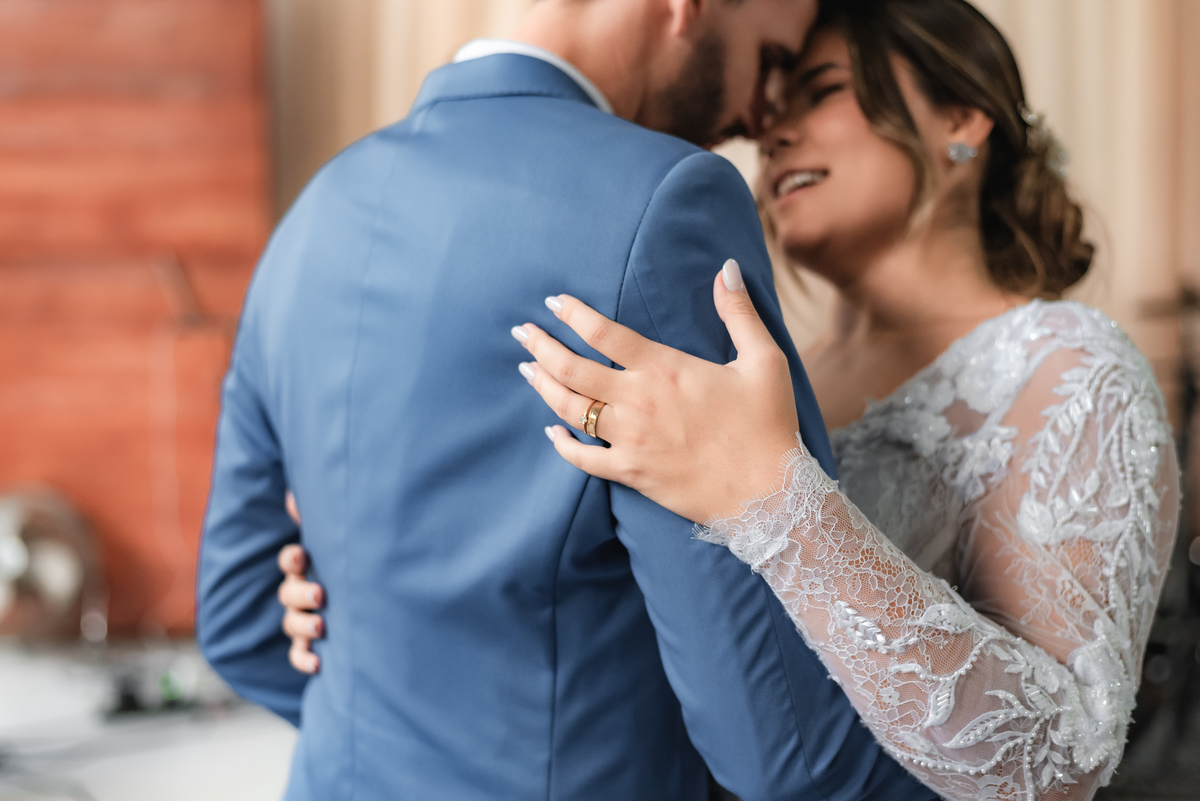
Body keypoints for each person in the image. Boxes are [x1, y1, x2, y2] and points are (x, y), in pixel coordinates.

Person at [285, 0, 1181, 798]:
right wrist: (336, 582)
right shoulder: (749, 369)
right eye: (772, 109)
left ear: (962, 118)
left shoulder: (1070, 370)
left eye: (821, 89)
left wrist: (776, 495)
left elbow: (1062, 759)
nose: (771, 131)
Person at [197, 0, 940, 799]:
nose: (760, 117)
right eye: (771, 62)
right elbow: (786, 751)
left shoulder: (311, 216)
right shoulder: (666, 202)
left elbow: (241, 623)